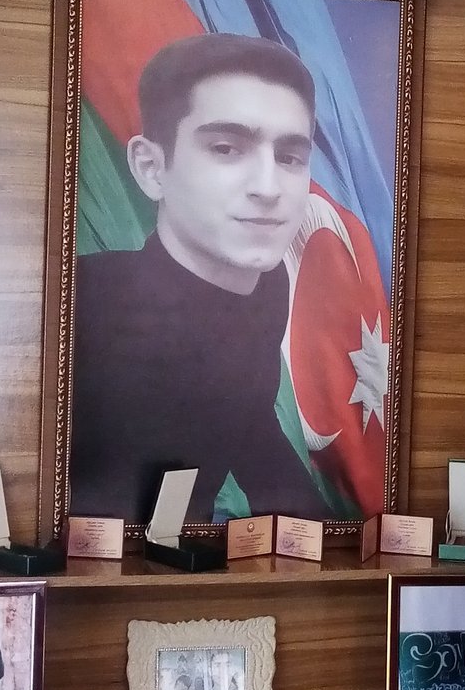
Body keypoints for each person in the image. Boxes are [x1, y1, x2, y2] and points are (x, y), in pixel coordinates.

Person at [70, 30, 331, 523]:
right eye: (226, 148)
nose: (268, 187)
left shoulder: (267, 286)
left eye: (290, 157)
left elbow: (246, 420)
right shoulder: (82, 301)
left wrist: (331, 539)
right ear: (152, 169)